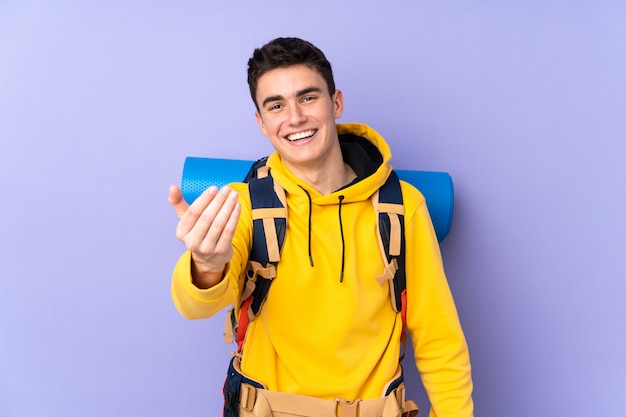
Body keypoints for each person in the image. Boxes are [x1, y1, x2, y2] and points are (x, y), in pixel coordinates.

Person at [168, 37, 474, 417]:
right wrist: (206, 263)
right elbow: (194, 306)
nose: (294, 117)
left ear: (336, 103)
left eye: (308, 97)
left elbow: (439, 339)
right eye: (276, 106)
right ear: (262, 123)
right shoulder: (242, 203)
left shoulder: (402, 206)